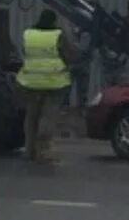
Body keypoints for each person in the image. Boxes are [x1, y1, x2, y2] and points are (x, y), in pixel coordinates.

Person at [16, 9, 81, 164]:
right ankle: (43, 151)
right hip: (54, 81)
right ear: (53, 20)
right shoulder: (58, 35)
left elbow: (25, 52)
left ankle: (28, 150)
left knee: (31, 116)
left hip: (30, 81)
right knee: (48, 115)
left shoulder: (29, 34)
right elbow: (70, 55)